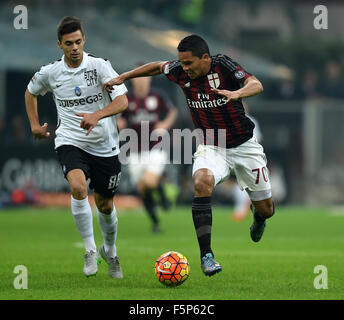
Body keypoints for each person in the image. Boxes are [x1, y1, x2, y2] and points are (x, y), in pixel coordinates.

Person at [103, 34, 275, 277]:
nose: (184, 69)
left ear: (205, 58)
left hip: (245, 146)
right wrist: (123, 77)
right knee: (201, 181)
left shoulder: (223, 65)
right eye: (181, 63)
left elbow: (256, 84)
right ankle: (207, 256)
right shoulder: (181, 72)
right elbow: (156, 66)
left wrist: (238, 94)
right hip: (212, 147)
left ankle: (258, 218)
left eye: (189, 63)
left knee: (267, 208)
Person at [24, 16, 128, 278]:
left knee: (105, 205)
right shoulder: (51, 72)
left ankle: (111, 252)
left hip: (105, 146)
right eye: (69, 43)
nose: (74, 48)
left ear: (84, 40)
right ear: (59, 44)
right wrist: (35, 125)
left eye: (78, 42)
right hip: (70, 141)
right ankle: (90, 250)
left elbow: (123, 101)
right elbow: (30, 92)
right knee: (79, 188)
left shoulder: (101, 67)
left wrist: (97, 115)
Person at [117, 74, 178, 233]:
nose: (142, 80)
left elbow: (172, 111)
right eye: (139, 77)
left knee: (149, 182)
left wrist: (164, 124)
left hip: (155, 147)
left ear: (149, 79)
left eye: (145, 77)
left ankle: (162, 194)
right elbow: (118, 117)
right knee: (143, 188)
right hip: (134, 151)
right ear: (133, 80)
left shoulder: (157, 96)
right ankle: (156, 222)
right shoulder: (126, 99)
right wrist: (120, 123)